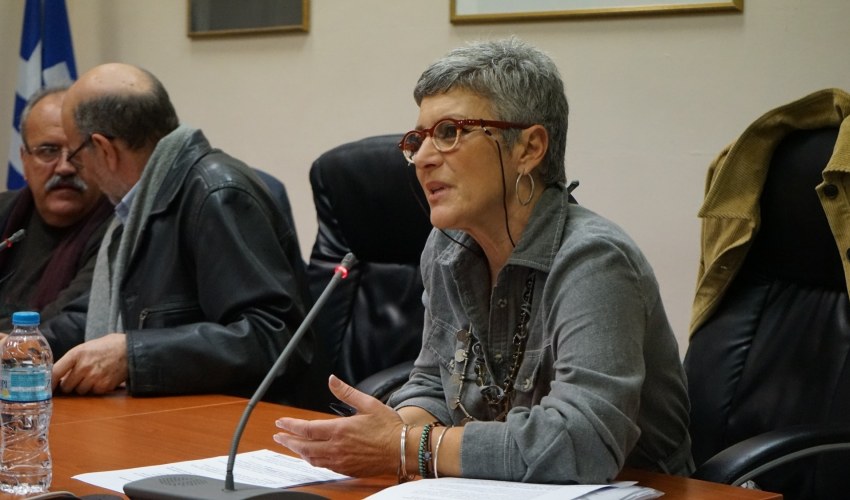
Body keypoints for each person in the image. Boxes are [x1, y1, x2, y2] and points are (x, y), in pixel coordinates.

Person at [273, 38, 693, 484]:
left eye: (449, 132)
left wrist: (408, 447)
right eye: (418, 139)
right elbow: (434, 384)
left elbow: (582, 443)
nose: (423, 159)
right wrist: (386, 432)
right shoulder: (446, 247)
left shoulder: (595, 262)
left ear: (529, 148)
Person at [49, 63, 326, 408]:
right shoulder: (136, 206)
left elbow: (274, 337)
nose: (76, 170)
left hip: (241, 422)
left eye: (76, 157)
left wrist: (132, 355)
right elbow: (99, 314)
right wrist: (28, 345)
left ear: (104, 149)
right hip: (166, 411)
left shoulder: (216, 195)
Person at [0, 86, 112, 332]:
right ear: (24, 161)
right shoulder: (4, 211)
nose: (64, 167)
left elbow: (67, 322)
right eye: (48, 151)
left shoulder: (118, 229)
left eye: (78, 151)